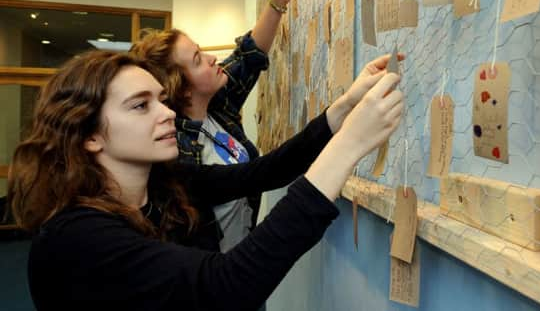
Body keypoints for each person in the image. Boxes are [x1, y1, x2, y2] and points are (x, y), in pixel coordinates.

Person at [8, 50, 402, 311]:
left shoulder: (168, 183)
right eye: (141, 106)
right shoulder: (75, 238)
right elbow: (224, 288)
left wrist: (344, 108)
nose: (166, 114)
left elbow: (264, 172)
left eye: (161, 100)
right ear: (89, 134)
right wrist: (349, 145)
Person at [130, 0, 307, 253]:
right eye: (198, 59)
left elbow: (248, 56)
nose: (214, 59)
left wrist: (278, 1)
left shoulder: (218, 110)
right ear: (183, 87)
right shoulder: (175, 148)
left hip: (241, 254)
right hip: (213, 274)